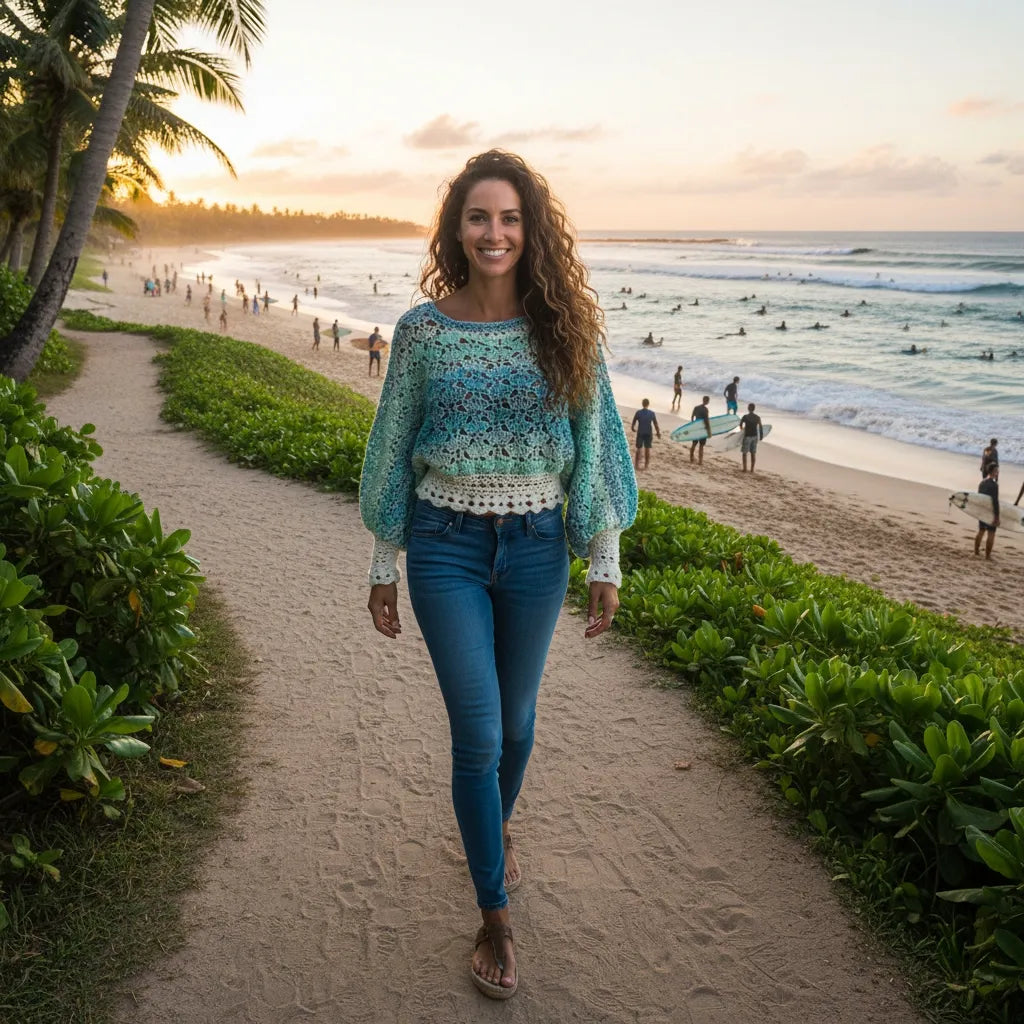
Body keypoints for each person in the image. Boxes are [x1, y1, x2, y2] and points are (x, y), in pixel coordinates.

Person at [359, 149, 637, 1001]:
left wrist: (605, 557)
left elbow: (595, 449)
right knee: (479, 736)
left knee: (518, 727)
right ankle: (496, 913)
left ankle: (495, 830)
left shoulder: (567, 331)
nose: (495, 233)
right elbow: (393, 448)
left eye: (511, 218)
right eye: (479, 217)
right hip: (445, 546)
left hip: (536, 550)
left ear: (532, 230)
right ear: (456, 229)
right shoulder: (421, 333)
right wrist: (384, 563)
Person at [974, 463, 1000, 560]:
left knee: (981, 530)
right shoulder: (994, 485)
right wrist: (996, 516)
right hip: (990, 511)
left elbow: (979, 498)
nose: (997, 472)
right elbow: (995, 501)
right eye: (996, 471)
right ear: (993, 471)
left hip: (982, 510)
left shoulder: (982, 482)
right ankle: (987, 556)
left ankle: (976, 551)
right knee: (991, 533)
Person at [631, 398, 661, 470]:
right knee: (647, 449)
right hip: (648, 432)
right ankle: (646, 465)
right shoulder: (652, 413)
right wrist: (658, 432)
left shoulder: (638, 412)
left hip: (641, 432)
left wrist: (632, 427)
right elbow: (655, 424)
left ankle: (636, 465)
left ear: (642, 404)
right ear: (648, 404)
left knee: (639, 448)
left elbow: (634, 421)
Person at [738, 402, 763, 472]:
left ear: (748, 408)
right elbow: (760, 427)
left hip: (747, 436)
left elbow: (740, 424)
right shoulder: (757, 417)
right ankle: (752, 469)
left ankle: (745, 468)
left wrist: (742, 431)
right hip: (755, 436)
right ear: (754, 409)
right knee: (753, 453)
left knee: (744, 453)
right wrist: (761, 436)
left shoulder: (745, 417)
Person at [689, 395, 711, 464]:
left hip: (696, 427)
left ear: (703, 400)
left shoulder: (696, 407)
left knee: (694, 443)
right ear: (707, 401)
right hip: (702, 429)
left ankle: (691, 457)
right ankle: (700, 461)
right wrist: (709, 431)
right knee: (701, 445)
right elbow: (706, 421)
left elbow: (692, 417)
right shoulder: (705, 410)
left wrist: (693, 424)